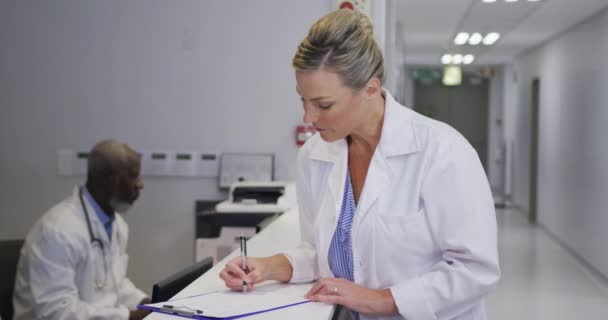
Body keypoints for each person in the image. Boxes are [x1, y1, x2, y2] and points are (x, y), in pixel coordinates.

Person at [220, 9, 500, 320]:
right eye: (303, 100)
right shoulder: (314, 155)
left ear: (370, 88)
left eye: (323, 105)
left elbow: (476, 270)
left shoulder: (442, 152)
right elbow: (324, 253)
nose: (308, 118)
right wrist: (270, 266)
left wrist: (382, 299)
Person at [13, 139, 151, 320]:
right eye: (133, 176)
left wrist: (144, 302)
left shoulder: (115, 223)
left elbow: (113, 283)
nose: (140, 184)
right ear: (105, 179)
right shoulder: (57, 232)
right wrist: (129, 316)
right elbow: (56, 312)